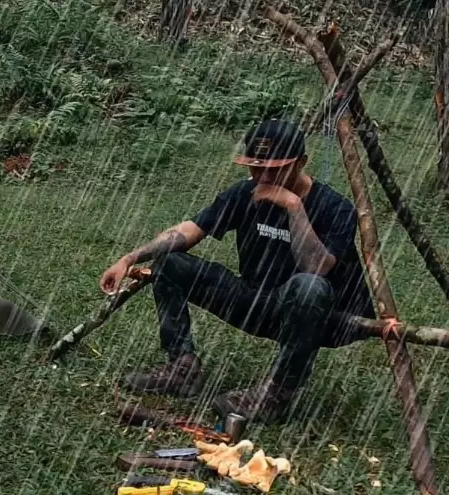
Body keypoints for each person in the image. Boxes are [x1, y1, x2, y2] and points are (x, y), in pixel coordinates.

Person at [99, 118, 376, 423]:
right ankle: (183, 370)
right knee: (170, 263)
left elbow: (316, 266)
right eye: (256, 168)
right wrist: (129, 258)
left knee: (308, 286)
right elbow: (189, 230)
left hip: (322, 319)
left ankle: (277, 395)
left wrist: (294, 207)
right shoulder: (245, 193)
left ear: (301, 163)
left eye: (274, 169)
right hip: (259, 302)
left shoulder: (335, 207)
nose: (262, 177)